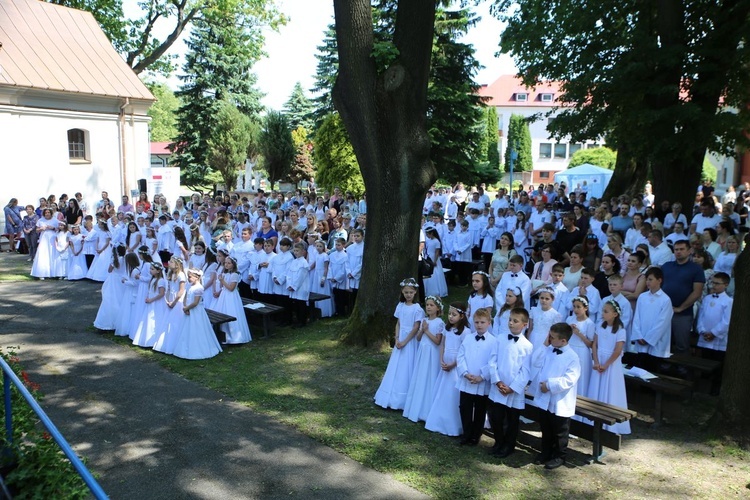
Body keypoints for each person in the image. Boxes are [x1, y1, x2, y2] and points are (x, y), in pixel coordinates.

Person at [529, 322, 581, 469]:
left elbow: (569, 379)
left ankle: (559, 456)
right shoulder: (549, 349)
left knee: (560, 431)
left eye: (552, 337)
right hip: (545, 398)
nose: (549, 339)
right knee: (546, 427)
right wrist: (545, 344)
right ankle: (545, 451)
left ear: (563, 340)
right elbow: (535, 361)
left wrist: (549, 385)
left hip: (560, 399)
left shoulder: (572, 357)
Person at [487, 307, 533, 458]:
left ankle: (509, 446)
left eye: (515, 321)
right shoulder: (500, 338)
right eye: (510, 320)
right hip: (498, 386)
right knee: (496, 417)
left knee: (512, 420)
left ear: (524, 324)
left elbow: (525, 371)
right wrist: (497, 381)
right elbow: (492, 360)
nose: (511, 323)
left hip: (513, 390)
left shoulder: (527, 346)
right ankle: (499, 442)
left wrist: (512, 388)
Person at [374, 278, 425, 410]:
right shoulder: (400, 306)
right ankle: (390, 395)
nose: (408, 295)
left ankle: (406, 398)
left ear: (415, 293)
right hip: (400, 339)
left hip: (410, 341)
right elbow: (398, 323)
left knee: (408, 366)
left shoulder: (417, 309)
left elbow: (415, 327)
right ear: (402, 292)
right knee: (396, 367)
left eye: (411, 292)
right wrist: (397, 339)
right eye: (406, 292)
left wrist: (405, 341)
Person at [425, 302, 471, 436]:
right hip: (445, 365)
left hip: (455, 367)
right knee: (442, 392)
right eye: (450, 314)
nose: (451, 317)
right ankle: (438, 420)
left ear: (462, 316)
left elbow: (464, 353)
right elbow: (443, 346)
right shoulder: (447, 329)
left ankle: (453, 424)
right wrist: (441, 360)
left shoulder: (466, 332)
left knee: (453, 394)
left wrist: (453, 364)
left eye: (454, 314)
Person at [588, 300, 630, 434]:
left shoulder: (621, 330)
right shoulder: (600, 325)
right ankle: (593, 418)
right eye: (603, 311)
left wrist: (606, 365)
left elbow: (617, 351)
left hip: (611, 364)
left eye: (606, 311)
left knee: (610, 389)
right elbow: (595, 344)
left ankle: (610, 422)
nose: (603, 314)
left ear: (615, 314)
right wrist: (596, 361)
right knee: (596, 387)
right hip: (599, 360)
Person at [456, 308, 497, 446]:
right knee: (465, 408)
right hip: (467, 379)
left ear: (489, 323)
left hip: (482, 382)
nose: (479, 325)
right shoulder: (468, 338)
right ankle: (466, 434)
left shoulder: (493, 342)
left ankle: (475, 436)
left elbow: (493, 362)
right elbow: (460, 356)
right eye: (476, 322)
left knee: (480, 410)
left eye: (482, 322)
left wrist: (482, 376)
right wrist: (465, 373)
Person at [403, 296, 445, 423]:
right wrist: (422, 330)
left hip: (432, 353)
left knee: (430, 376)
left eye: (431, 305)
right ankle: (416, 407)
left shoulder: (439, 322)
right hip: (423, 351)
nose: (428, 307)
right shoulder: (424, 320)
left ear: (437, 308)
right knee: (420, 376)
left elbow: (438, 341)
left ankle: (428, 409)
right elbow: (418, 338)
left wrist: (426, 331)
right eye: (427, 305)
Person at [661, 240, 705, 356]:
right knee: (664, 342)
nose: (678, 252)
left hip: (683, 313)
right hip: (664, 311)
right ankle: (664, 367)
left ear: (689, 251)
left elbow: (697, 292)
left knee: (682, 344)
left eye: (682, 249)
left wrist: (681, 308)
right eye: (676, 249)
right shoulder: (666, 266)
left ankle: (682, 370)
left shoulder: (696, 269)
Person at [171, 268, 224, 360]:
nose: (188, 278)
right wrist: (185, 306)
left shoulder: (199, 288)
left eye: (190, 277)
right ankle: (185, 347)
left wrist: (187, 308)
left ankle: (198, 348)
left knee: (197, 328)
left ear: (197, 277)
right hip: (188, 310)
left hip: (196, 311)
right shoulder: (190, 286)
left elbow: (195, 303)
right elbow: (186, 297)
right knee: (187, 328)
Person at [631, 267, 674, 370]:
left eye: (650, 279)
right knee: (640, 367)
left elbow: (662, 323)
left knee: (652, 369)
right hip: (641, 338)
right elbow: (637, 317)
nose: (647, 282)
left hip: (655, 342)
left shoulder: (665, 299)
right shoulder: (642, 297)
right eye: (646, 279)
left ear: (659, 280)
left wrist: (649, 339)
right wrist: (638, 335)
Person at [696, 272, 732, 394]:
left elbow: (726, 321)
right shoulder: (707, 299)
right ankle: (701, 390)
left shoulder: (728, 301)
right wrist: (702, 330)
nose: (713, 286)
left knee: (717, 367)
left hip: (717, 339)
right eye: (712, 283)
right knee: (704, 364)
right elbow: (701, 316)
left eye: (717, 283)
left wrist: (714, 333)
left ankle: (714, 392)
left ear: (726, 285)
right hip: (705, 337)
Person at [212, 256, 252, 344]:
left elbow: (231, 288)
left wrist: (222, 281)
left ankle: (234, 336)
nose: (226, 265)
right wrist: (220, 288)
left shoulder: (235, 274)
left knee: (231, 311)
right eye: (225, 263)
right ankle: (222, 334)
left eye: (228, 263)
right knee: (222, 311)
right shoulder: (226, 273)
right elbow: (223, 287)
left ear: (233, 265)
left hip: (231, 297)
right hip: (224, 296)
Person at [153, 257, 188, 354]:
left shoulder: (181, 275)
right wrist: (168, 299)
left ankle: (175, 344)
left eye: (171, 262)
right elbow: (169, 288)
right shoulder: (171, 274)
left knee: (175, 321)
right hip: (171, 298)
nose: (169, 263)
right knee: (168, 321)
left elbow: (181, 290)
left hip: (178, 300)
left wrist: (174, 302)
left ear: (177, 264)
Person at [132, 262, 168, 348]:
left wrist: (151, 299)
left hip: (157, 303)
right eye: (150, 269)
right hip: (150, 301)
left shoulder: (161, 281)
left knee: (156, 319)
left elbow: (161, 294)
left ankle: (155, 340)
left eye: (152, 269)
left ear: (158, 271)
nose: (150, 271)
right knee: (148, 320)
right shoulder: (153, 279)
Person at [566, 296, 595, 401]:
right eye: (574, 307)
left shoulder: (589, 323)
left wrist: (579, 334)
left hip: (582, 352)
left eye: (579, 307)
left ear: (585, 308)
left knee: (580, 379)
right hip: (570, 349)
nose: (576, 310)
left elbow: (590, 344)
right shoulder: (569, 319)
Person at [286, 242, 311, 328]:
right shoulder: (293, 262)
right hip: (292, 287)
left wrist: (294, 286)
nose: (296, 252)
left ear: (303, 252)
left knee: (301, 304)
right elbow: (289, 274)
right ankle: (296, 320)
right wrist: (289, 284)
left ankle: (302, 321)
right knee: (295, 304)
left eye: (297, 251)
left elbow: (301, 277)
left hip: (301, 288)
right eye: (295, 251)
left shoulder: (304, 263)